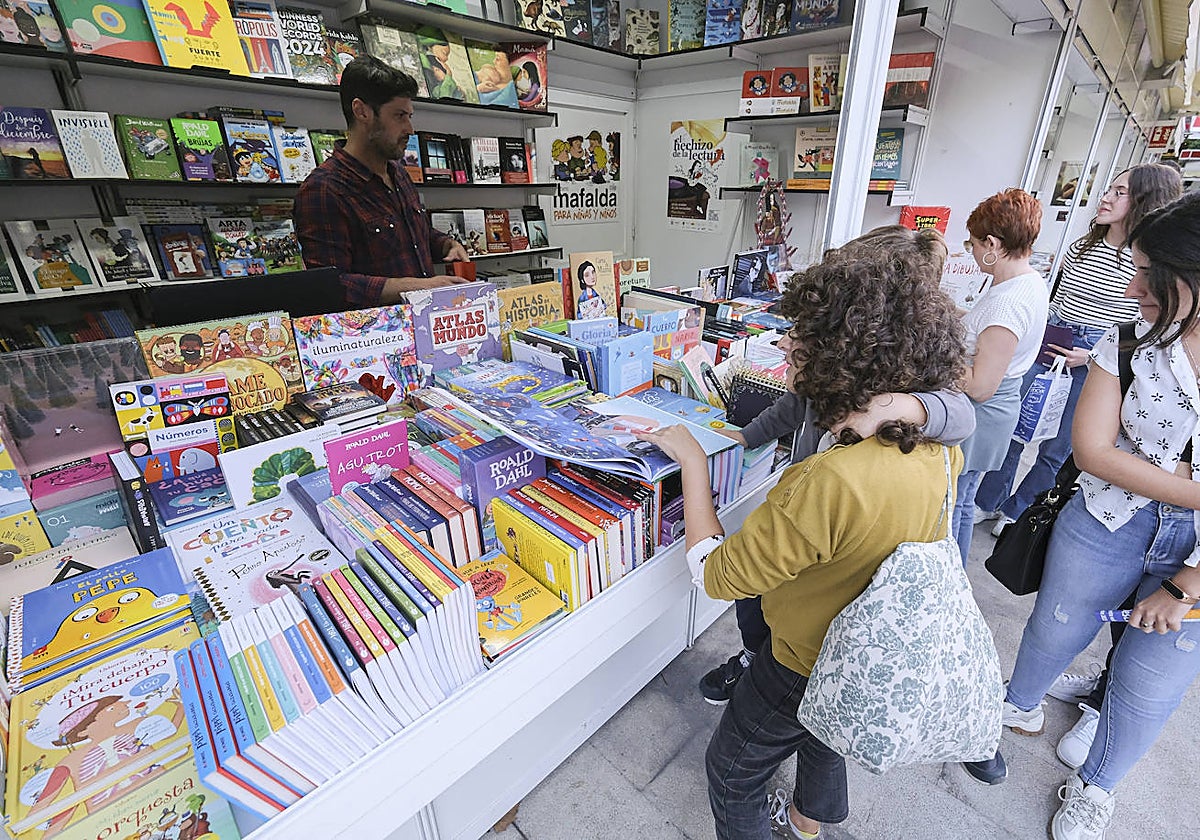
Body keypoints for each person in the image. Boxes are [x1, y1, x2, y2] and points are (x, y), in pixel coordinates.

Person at [637, 225, 969, 840]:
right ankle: (808, 825)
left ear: (841, 356)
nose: (786, 348)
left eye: (801, 339)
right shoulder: (935, 447)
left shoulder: (827, 479)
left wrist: (690, 464)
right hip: (856, 657)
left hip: (799, 660)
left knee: (733, 772)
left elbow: (717, 573)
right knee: (824, 735)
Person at [966, 191, 1200, 840]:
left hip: (1194, 565)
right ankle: (1019, 704)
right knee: (1060, 622)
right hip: (1103, 522)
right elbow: (1094, 452)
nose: (1133, 285)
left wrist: (1186, 586)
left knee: (1151, 682)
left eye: (1149, 271)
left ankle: (1096, 785)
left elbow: (1115, 450)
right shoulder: (1128, 341)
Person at [696, 230, 976, 707]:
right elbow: (792, 405)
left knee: (781, 622)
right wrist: (746, 437)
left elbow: (962, 415)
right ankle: (753, 655)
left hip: (823, 529)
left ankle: (765, 669)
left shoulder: (875, 423)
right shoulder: (830, 375)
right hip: (799, 517)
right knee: (760, 604)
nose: (785, 342)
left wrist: (901, 407)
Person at [976, 164, 1182, 534]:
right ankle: (988, 501)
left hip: (1097, 357)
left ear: (1143, 199)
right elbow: (1060, 298)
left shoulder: (1147, 262)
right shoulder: (1082, 246)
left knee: (1058, 447)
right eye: (1109, 189)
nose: (1105, 198)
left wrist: (1090, 356)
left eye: (1119, 192)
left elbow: (1141, 327)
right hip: (1053, 340)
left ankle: (1019, 512)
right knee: (1017, 430)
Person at [293, 56, 470, 308]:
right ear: (361, 111)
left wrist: (447, 244)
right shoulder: (324, 189)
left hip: (423, 328)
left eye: (409, 116)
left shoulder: (398, 172)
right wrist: (418, 287)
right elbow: (330, 286)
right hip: (376, 338)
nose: (409, 128)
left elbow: (414, 234)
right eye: (399, 116)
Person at [950, 188, 1049, 566]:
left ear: (992, 243)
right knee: (961, 501)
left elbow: (980, 384)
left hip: (981, 415)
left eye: (973, 243)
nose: (972, 251)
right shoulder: (1024, 282)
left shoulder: (1009, 302)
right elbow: (985, 330)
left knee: (953, 505)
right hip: (992, 413)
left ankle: (948, 583)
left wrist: (933, 353)